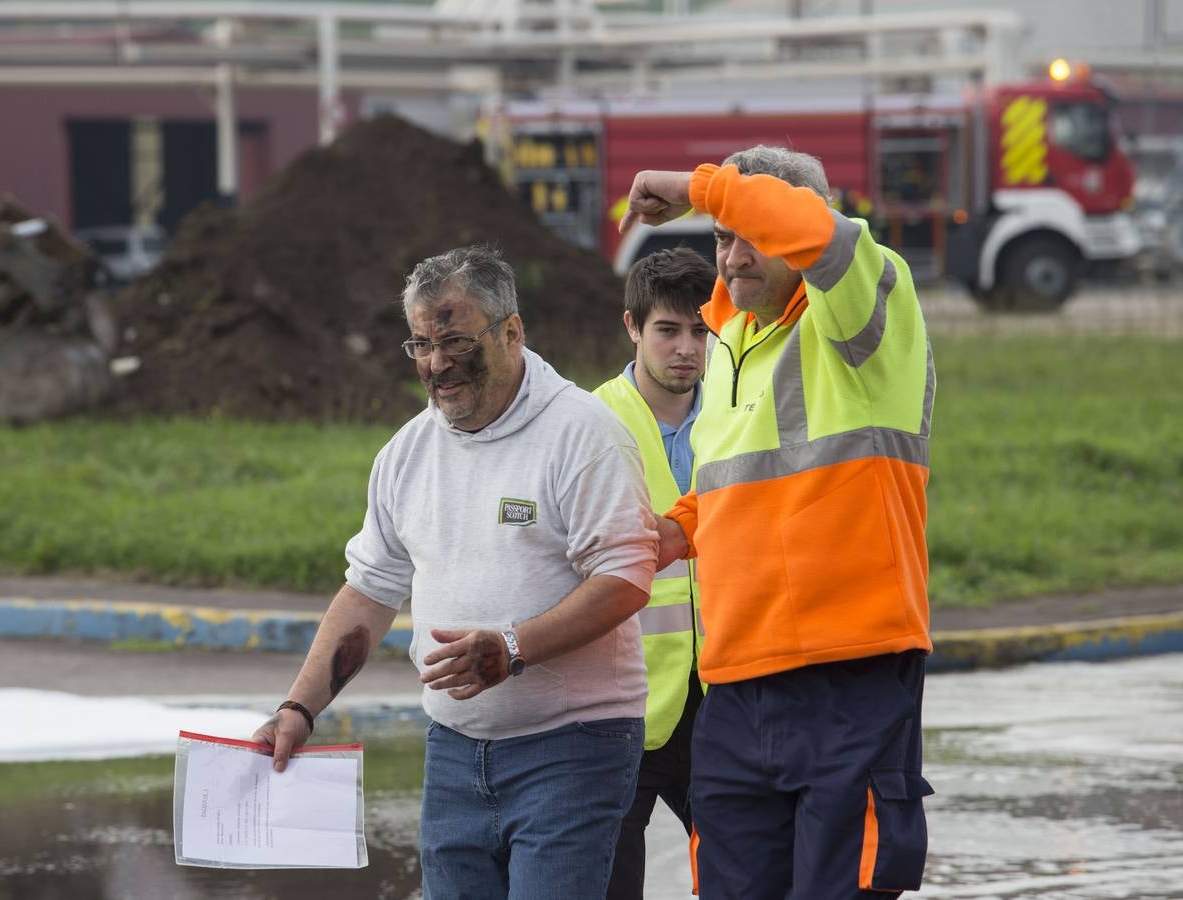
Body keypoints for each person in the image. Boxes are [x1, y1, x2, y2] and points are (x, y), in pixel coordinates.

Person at [252, 244, 659, 900]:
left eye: (454, 340)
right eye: (418, 344)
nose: (436, 364)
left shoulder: (583, 434)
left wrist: (513, 649)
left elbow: (625, 577)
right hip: (454, 753)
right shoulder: (407, 454)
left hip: (574, 750)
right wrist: (300, 707)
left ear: (511, 331)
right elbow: (369, 589)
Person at [619, 146, 936, 899]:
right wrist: (676, 530)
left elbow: (820, 234)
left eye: (745, 231)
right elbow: (738, 484)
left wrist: (698, 190)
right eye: (721, 238)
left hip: (845, 674)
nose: (729, 255)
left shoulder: (864, 311)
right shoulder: (729, 346)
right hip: (732, 688)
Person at [591, 247, 714, 899]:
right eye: (668, 329)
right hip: (619, 706)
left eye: (701, 330)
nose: (687, 348)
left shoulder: (740, 418)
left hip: (723, 703)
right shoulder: (590, 425)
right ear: (632, 327)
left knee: (745, 880)